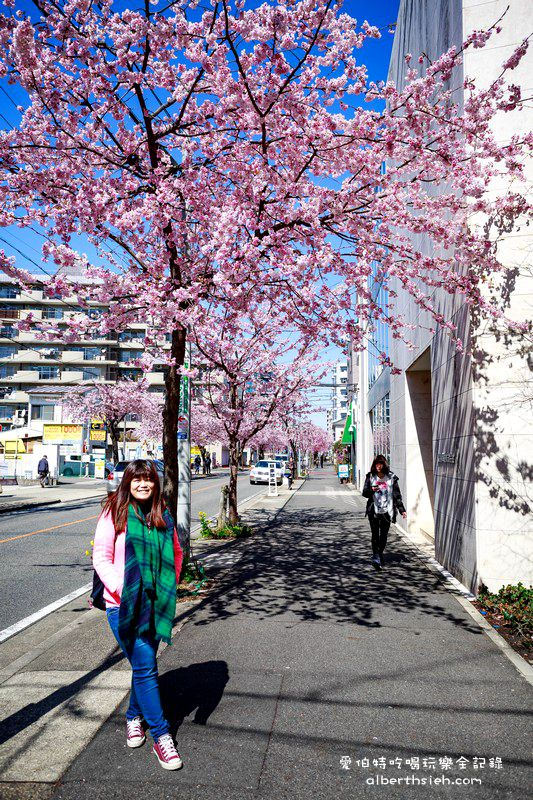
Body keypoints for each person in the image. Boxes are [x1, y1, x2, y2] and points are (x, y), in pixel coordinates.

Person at [92, 459, 184, 770]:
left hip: (155, 603)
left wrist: (169, 582)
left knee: (142, 666)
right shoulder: (114, 512)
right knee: (146, 667)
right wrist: (122, 588)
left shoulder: (162, 514)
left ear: (155, 484)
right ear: (127, 482)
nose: (143, 485)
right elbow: (101, 557)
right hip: (123, 606)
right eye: (137, 480)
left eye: (148, 480)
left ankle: (133, 717)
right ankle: (162, 736)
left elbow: (177, 551)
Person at [362, 454, 406, 570]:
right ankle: (376, 556)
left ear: (384, 465)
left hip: (387, 511)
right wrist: (371, 490)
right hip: (374, 511)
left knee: (384, 535)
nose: (378, 466)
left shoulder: (391, 478)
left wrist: (402, 510)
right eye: (377, 464)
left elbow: (397, 495)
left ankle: (380, 552)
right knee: (375, 534)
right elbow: (365, 493)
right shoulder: (370, 477)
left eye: (381, 464)